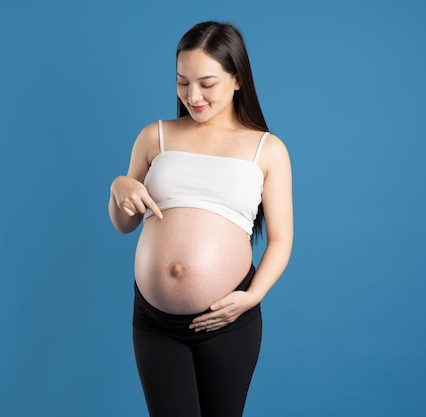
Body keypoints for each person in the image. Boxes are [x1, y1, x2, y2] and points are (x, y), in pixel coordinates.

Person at [108, 21, 293, 417]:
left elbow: (280, 239)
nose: (193, 96)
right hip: (155, 322)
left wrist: (252, 297)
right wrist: (118, 188)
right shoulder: (154, 136)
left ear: (238, 79)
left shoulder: (267, 149)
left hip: (227, 320)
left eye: (206, 83)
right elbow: (124, 225)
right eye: (182, 82)